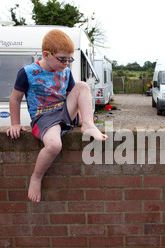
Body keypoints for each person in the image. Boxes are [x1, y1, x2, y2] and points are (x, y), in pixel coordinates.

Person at [7, 29, 107, 202]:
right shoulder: (27, 72)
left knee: (83, 86)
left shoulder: (66, 71)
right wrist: (15, 123)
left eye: (69, 59)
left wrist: (82, 119)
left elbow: (74, 96)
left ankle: (88, 125)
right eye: (62, 59)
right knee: (54, 145)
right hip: (43, 116)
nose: (67, 63)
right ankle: (36, 177)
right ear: (46, 54)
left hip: (63, 111)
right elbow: (15, 99)